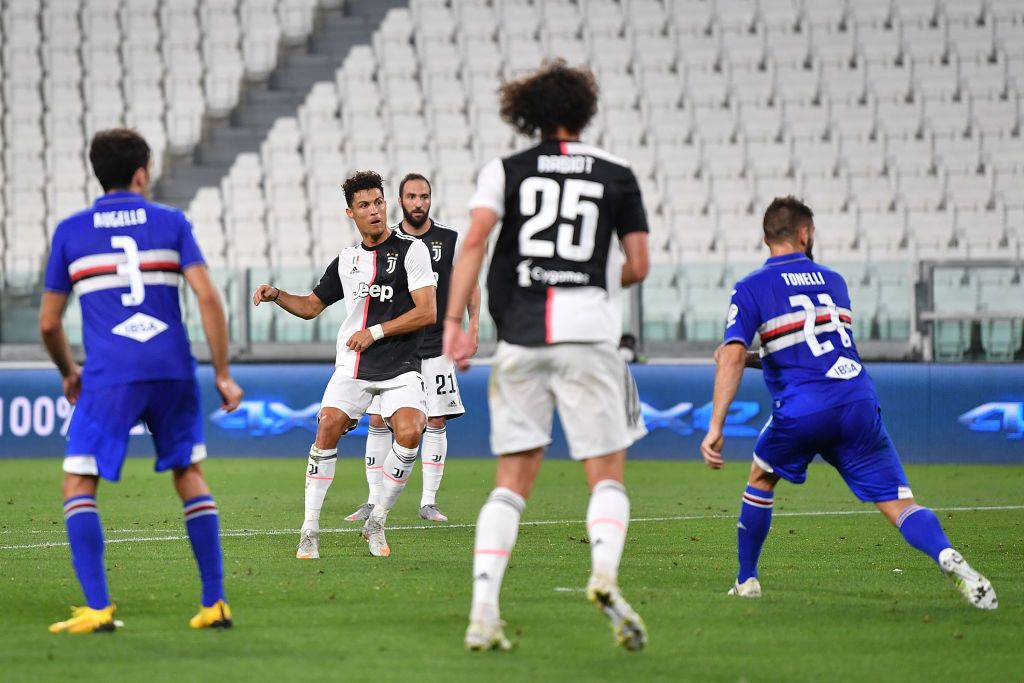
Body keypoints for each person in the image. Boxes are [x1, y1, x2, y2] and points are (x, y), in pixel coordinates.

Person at [700, 196, 997, 610]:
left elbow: (735, 354)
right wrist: (754, 360)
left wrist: (716, 426)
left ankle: (747, 580)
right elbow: (813, 347)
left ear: (766, 236)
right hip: (856, 399)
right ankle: (947, 554)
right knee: (900, 503)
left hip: (803, 407)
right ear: (805, 234)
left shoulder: (751, 287)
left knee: (761, 478)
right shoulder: (835, 283)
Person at [443, 61, 652, 652]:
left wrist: (458, 327)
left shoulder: (503, 171)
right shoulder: (617, 173)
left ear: (528, 114)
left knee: (510, 483)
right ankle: (605, 574)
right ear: (585, 110)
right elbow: (638, 265)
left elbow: (476, 242)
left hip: (521, 338)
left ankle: (483, 612)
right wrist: (594, 275)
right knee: (605, 477)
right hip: (588, 335)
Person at [41, 128, 245, 634]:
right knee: (189, 473)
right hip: (173, 367)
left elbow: (47, 322)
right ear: (140, 173)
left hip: (111, 373)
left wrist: (70, 372)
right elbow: (209, 298)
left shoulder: (70, 231)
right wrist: (221, 372)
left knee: (78, 481)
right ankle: (214, 602)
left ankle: (99, 608)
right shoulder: (172, 223)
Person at [252, 171, 435, 559]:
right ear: (350, 212)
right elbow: (310, 307)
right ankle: (310, 530)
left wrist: (377, 331)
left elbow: (427, 312)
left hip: (401, 364)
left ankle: (378, 521)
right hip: (354, 365)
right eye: (365, 205)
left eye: (379, 202)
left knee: (411, 431)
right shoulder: (347, 261)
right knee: (328, 424)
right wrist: (277, 295)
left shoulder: (411, 251)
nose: (374, 211)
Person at [345, 173, 481, 524]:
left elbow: (470, 283)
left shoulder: (449, 239)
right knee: (377, 418)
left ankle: (429, 501)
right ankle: (373, 500)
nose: (418, 202)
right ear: (400, 201)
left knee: (435, 419)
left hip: (436, 346)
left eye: (424, 196)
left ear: (430, 199)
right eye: (411, 197)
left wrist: (473, 326)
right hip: (396, 346)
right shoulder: (390, 242)